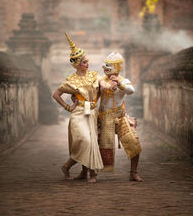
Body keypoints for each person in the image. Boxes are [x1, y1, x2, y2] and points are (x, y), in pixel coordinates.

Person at [53, 33, 103, 183]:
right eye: (84, 62)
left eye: (87, 61)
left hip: (92, 112)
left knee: (92, 142)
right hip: (79, 112)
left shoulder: (94, 76)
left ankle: (88, 173)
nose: (87, 63)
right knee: (85, 140)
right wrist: (68, 107)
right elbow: (56, 94)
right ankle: (71, 167)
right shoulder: (71, 80)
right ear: (77, 64)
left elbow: (101, 90)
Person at [99, 52, 143, 182]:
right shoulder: (100, 80)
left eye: (108, 66)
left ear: (116, 67)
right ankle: (86, 172)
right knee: (94, 144)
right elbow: (99, 89)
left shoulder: (124, 81)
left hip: (121, 115)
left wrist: (119, 84)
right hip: (105, 117)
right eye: (105, 66)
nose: (105, 68)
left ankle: (133, 173)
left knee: (133, 141)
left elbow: (131, 91)